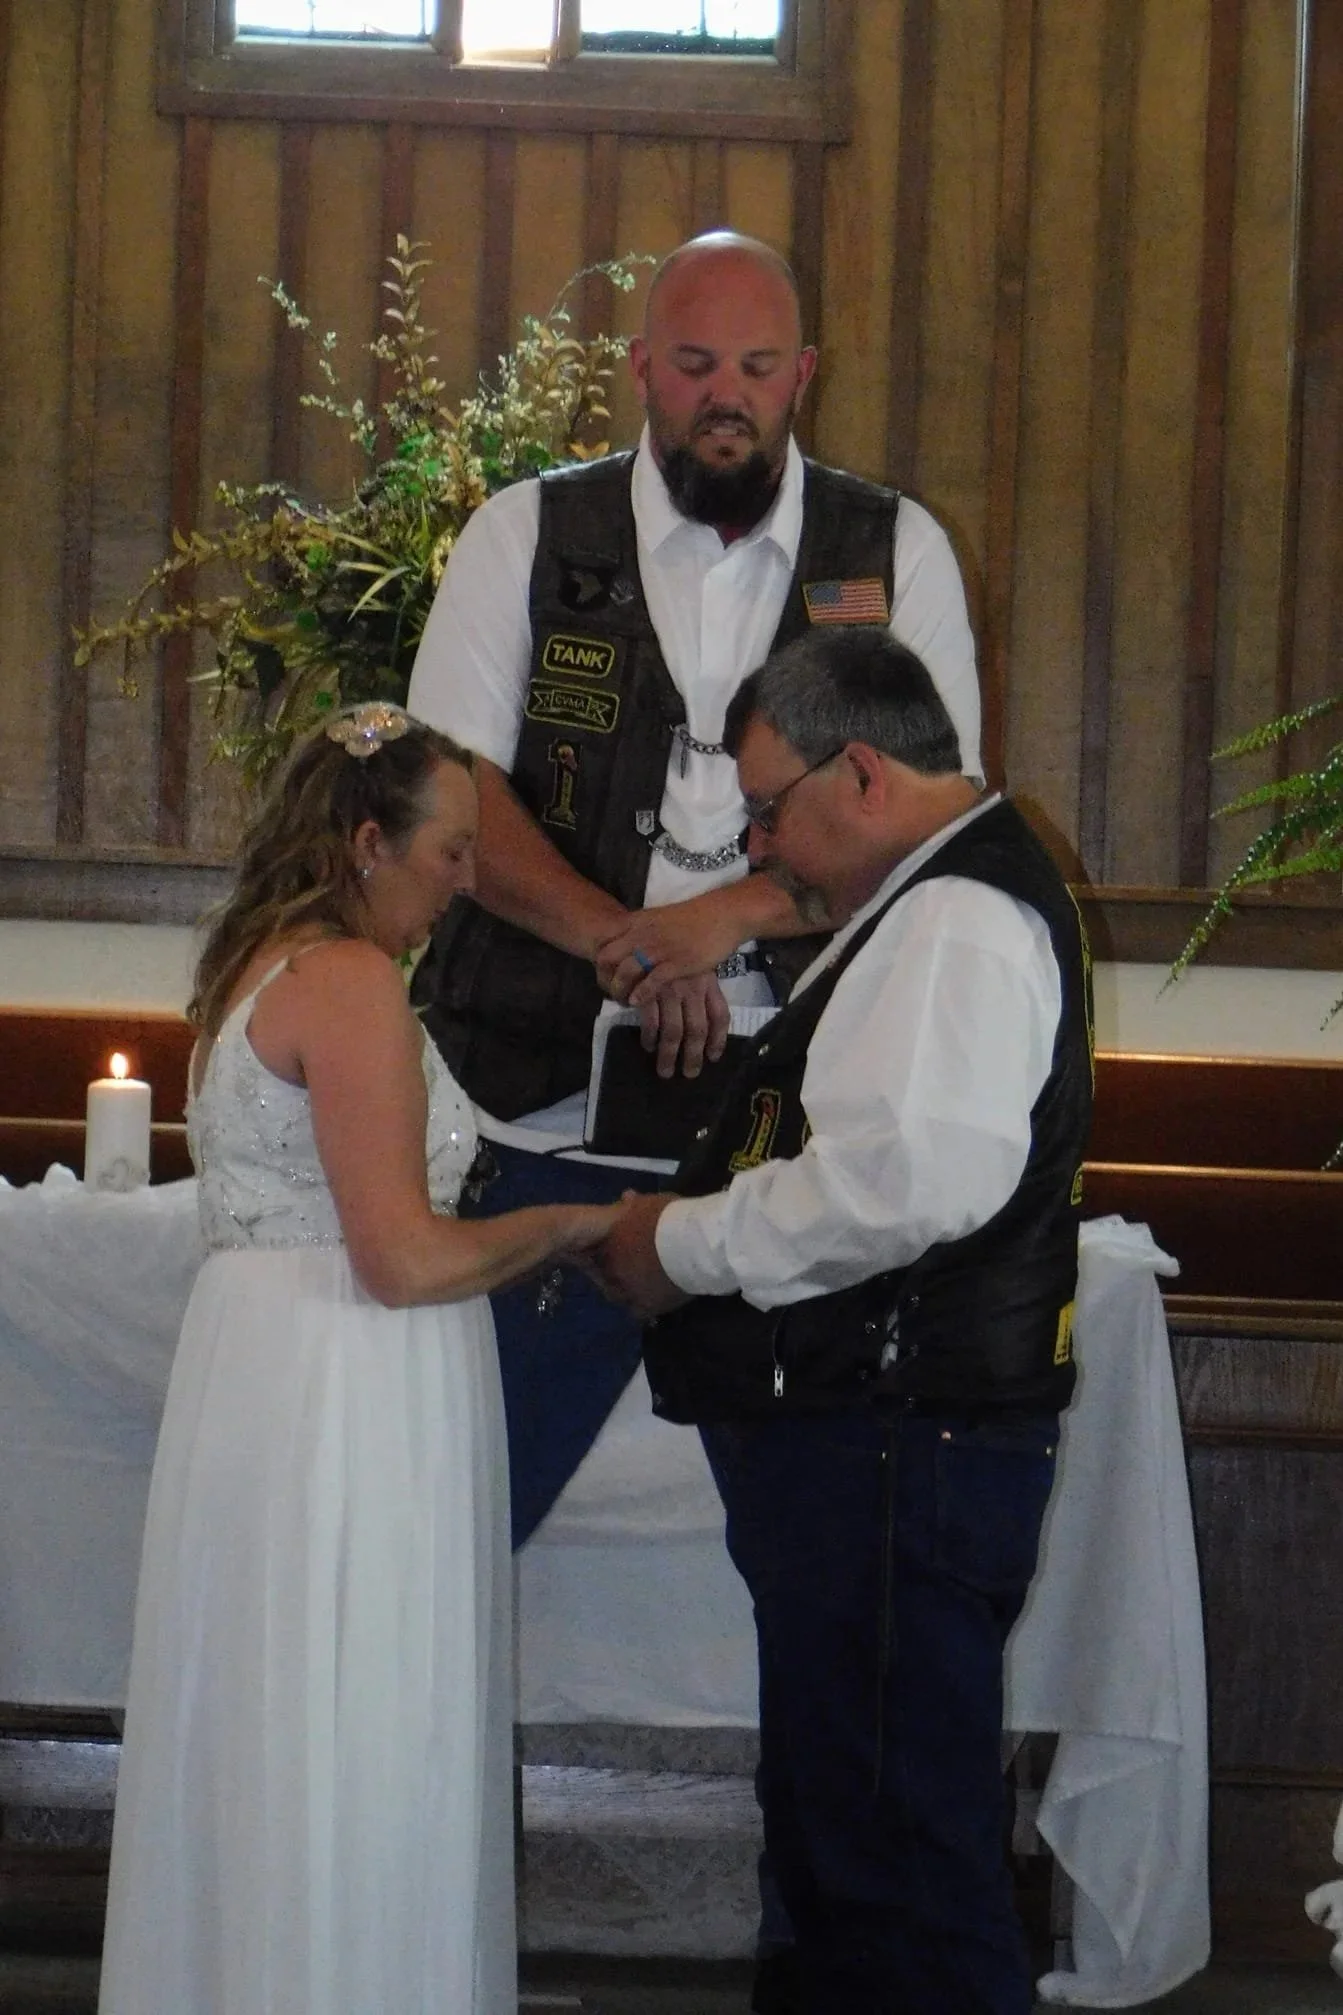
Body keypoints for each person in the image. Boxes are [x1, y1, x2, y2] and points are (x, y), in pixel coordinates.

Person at [406, 229, 984, 1546]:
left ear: (803, 377)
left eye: (757, 365)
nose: (725, 392)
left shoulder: (897, 555)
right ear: (639, 371)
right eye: (693, 361)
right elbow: (446, 797)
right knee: (448, 1528)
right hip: (537, 1133)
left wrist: (718, 921)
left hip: (796, 1153)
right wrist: (622, 943)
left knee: (831, 1557)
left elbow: (931, 834)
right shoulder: (525, 538)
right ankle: (411, 1756)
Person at [591, 628, 1094, 2015]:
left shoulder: (955, 917)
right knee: (846, 1842)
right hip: (880, 1440)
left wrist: (676, 1245)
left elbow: (900, 1180)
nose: (761, 845)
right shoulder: (927, 902)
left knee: (897, 1868)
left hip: (893, 1441)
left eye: (765, 808)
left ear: (859, 770)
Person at [97, 702, 617, 2015]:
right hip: (345, 1381)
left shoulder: (258, 968)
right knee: (355, 1721)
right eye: (448, 852)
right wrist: (565, 1226)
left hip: (270, 1368)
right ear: (368, 839)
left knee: (279, 1721)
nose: (463, 881)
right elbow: (403, 1258)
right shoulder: (348, 981)